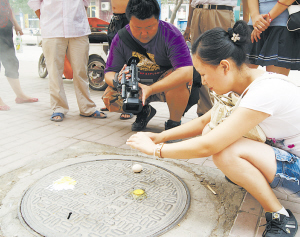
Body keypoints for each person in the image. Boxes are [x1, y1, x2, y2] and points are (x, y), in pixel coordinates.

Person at [127, 20, 300, 237]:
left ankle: (280, 216)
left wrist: (156, 151)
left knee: (225, 152)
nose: (204, 82)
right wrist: (159, 137)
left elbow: (209, 145)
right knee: (214, 130)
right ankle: (248, 176)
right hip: (284, 157)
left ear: (225, 66)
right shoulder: (240, 86)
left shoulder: (264, 92)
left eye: (205, 74)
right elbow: (203, 122)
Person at [103, 0, 193, 132]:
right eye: (137, 28)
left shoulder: (171, 33)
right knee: (109, 97)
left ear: (158, 20)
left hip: (164, 84)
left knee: (181, 81)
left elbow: (186, 72)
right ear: (129, 22)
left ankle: (174, 123)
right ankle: (143, 111)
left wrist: (150, 89)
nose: (144, 34)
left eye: (150, 27)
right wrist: (119, 79)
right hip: (136, 85)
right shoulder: (121, 38)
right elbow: (108, 73)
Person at [28, 0, 107, 122]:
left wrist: (77, 19)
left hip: (78, 30)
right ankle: (59, 108)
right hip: (53, 29)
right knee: (54, 72)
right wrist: (47, 20)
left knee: (81, 71)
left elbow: (85, 3)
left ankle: (87, 108)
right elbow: (34, 3)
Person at [183, 0, 237, 117]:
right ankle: (204, 112)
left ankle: (227, 111)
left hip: (221, 11)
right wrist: (188, 25)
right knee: (200, 63)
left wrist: (246, 20)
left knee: (224, 62)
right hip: (197, 11)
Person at [0, 0, 38, 111]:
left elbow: (8, 9)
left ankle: (20, 95)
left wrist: (16, 25)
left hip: (6, 29)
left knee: (11, 62)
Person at [247, 0, 300, 75]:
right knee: (241, 80)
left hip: (282, 26)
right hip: (256, 24)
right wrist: (254, 16)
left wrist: (267, 18)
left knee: (274, 82)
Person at [102, 0, 133, 120]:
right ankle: (111, 100)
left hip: (130, 17)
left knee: (129, 60)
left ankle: (129, 104)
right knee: (113, 62)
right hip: (116, 19)